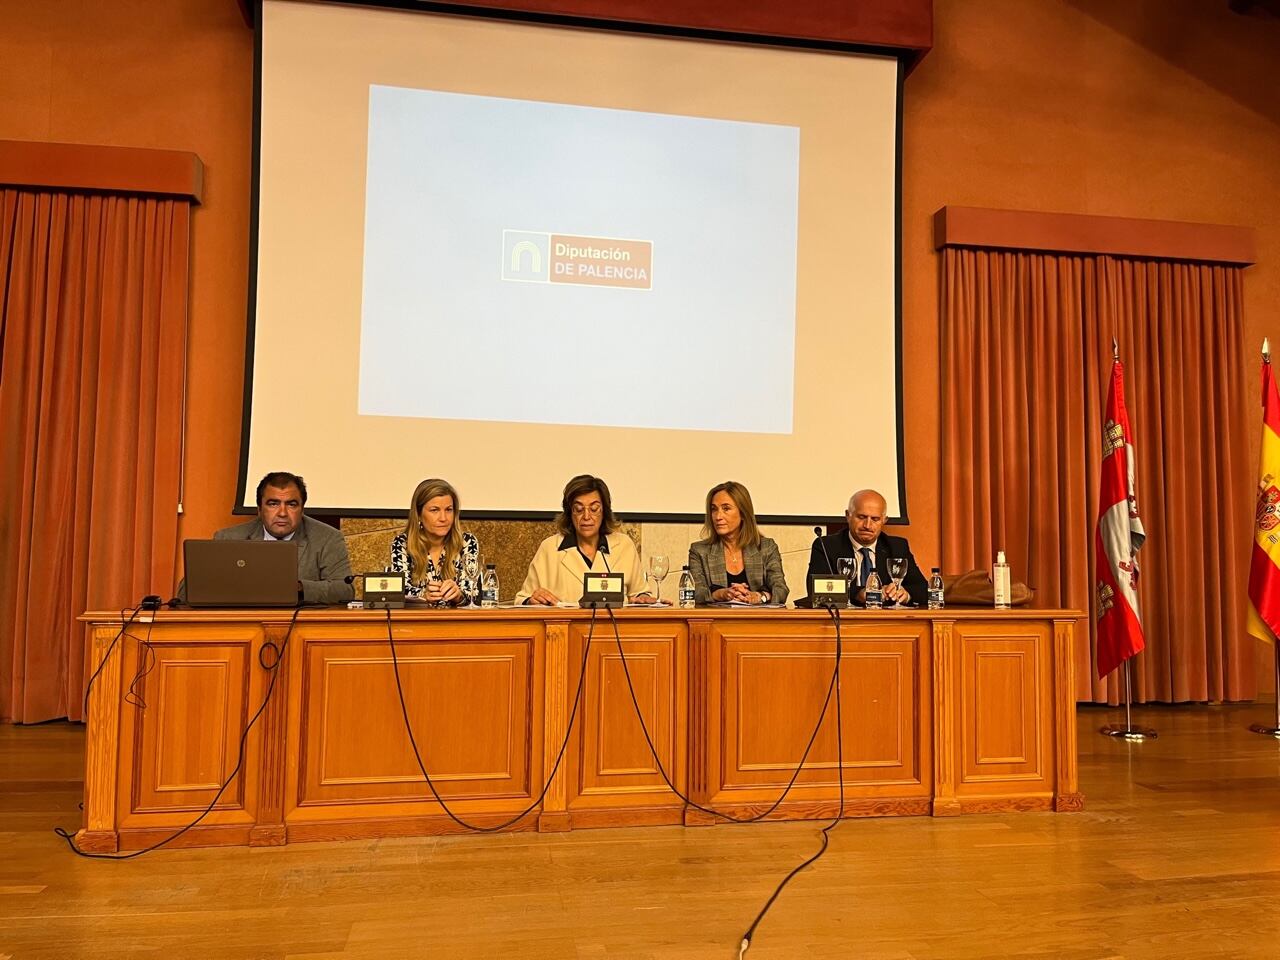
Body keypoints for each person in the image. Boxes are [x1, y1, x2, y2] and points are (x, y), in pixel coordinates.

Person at [191, 471, 354, 605]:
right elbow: (187, 592)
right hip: (243, 626)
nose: (282, 513)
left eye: (291, 504)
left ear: (302, 509)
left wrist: (298, 587)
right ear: (259, 509)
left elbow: (345, 590)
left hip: (301, 629)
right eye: (273, 504)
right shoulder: (228, 538)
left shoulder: (327, 538)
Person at [516, 475, 654, 606]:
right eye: (579, 509)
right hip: (565, 629)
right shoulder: (550, 548)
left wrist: (645, 599)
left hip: (613, 629)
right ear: (570, 513)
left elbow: (640, 593)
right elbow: (522, 598)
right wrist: (531, 600)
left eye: (594, 509)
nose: (586, 516)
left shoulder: (624, 546)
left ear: (604, 511)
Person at [807, 488, 928, 607]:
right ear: (848, 516)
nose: (867, 525)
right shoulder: (826, 546)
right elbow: (816, 589)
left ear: (884, 521)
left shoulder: (897, 546)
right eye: (861, 517)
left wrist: (906, 594)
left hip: (886, 622)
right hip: (843, 622)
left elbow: (923, 589)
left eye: (875, 519)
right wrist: (858, 594)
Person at [687, 481, 788, 605]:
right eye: (714, 509)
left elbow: (781, 590)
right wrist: (719, 594)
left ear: (743, 513)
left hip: (758, 622)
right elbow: (695, 593)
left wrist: (759, 596)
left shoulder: (766, 547)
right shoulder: (699, 551)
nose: (718, 516)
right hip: (716, 621)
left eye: (726, 509)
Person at [389, 478, 480, 605]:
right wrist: (422, 595)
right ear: (419, 515)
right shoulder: (402, 543)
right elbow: (397, 592)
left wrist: (459, 595)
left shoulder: (466, 542)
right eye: (434, 510)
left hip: (456, 621)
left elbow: (474, 594)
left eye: (448, 510)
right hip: (417, 621)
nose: (443, 518)